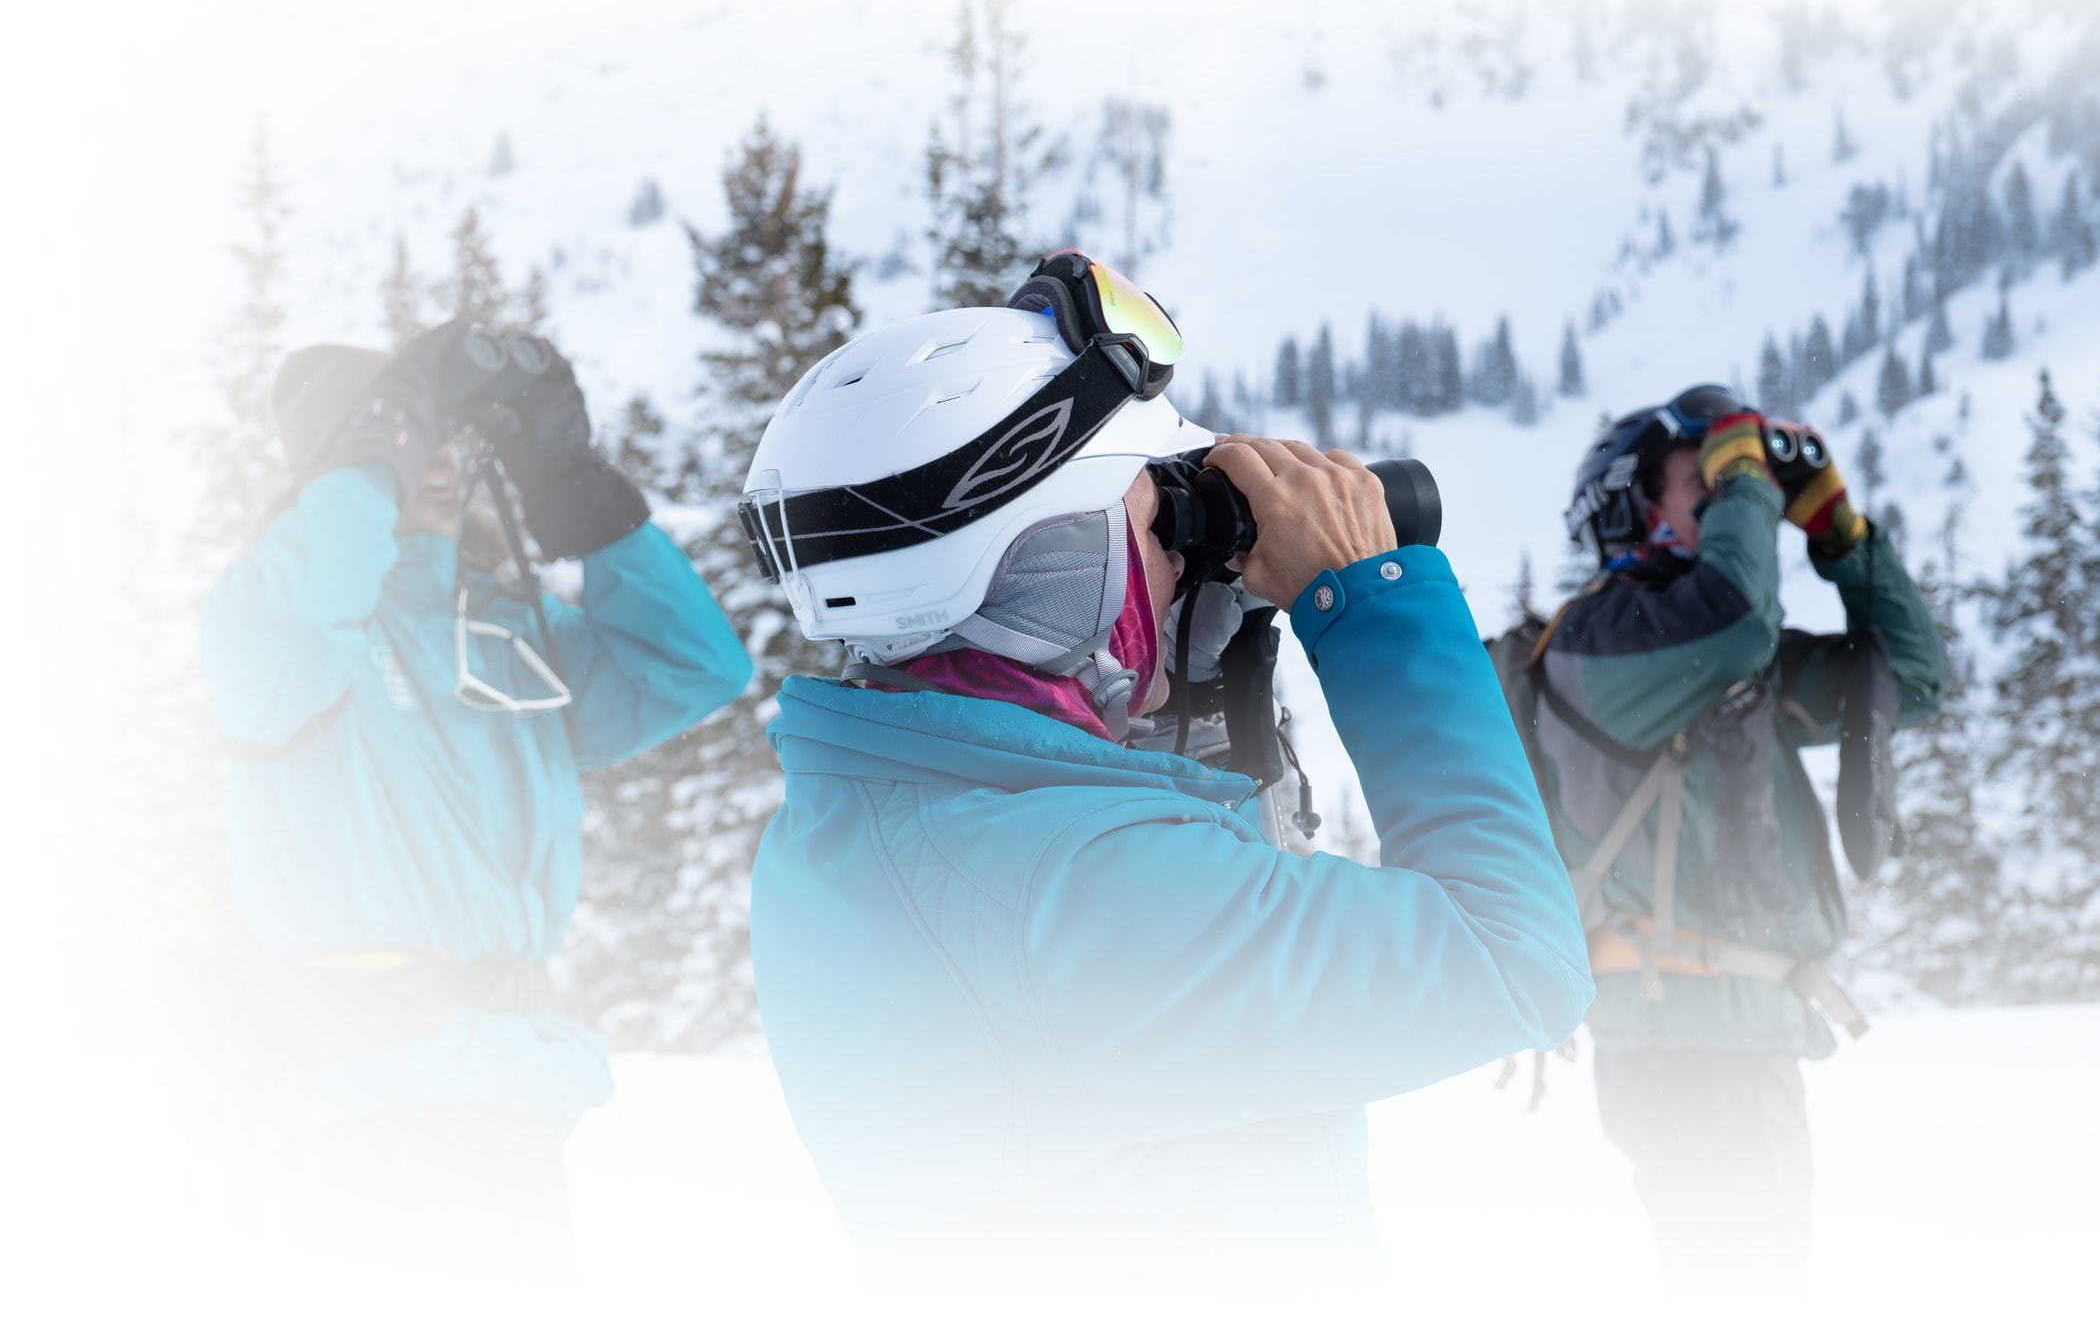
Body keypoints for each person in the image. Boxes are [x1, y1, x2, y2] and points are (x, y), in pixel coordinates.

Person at [739, 252, 1593, 1286]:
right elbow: (1518, 957)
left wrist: (1179, 666)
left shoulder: (875, 817)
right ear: (1049, 569)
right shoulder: (1074, 890)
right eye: (1152, 522)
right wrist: (1375, 596)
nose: (1189, 551)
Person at [200, 319, 752, 1269]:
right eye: (409, 436)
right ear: (342, 467)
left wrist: (577, 494)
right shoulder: (276, 635)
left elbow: (690, 669)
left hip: (507, 1092)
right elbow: (303, 594)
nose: (440, 458)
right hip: (358, 1105)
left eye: (452, 434)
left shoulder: (504, 630)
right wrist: (378, 453)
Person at [1532, 385, 1945, 1283]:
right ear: (1635, 508)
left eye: (1733, 483)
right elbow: (1737, 617)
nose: (1733, 496)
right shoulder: (1602, 644)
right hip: (1682, 1043)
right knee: (1745, 1287)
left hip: (1740, 1036)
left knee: (1753, 1280)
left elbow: (1910, 681)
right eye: (1708, 480)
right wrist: (1754, 478)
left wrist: (1840, 535)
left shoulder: (1719, 655)